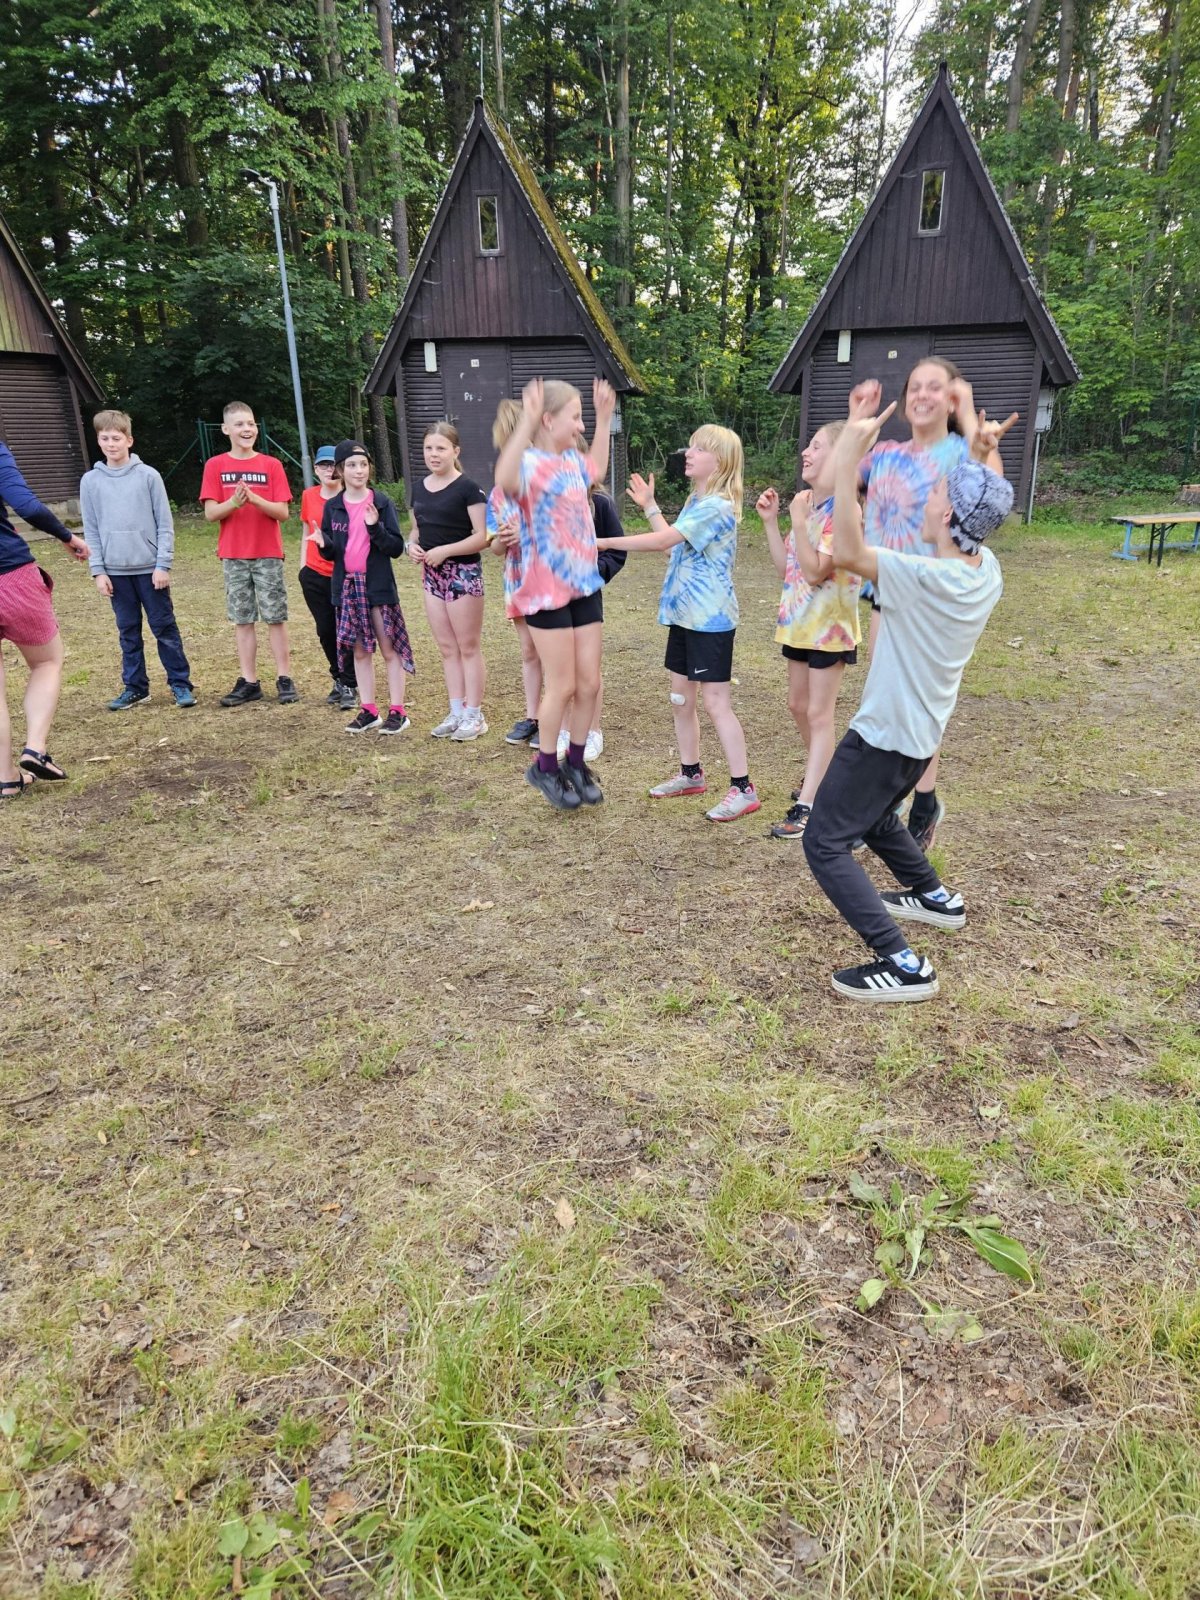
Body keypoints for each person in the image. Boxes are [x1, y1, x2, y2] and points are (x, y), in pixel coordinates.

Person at [803, 398, 1013, 1002]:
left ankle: (903, 964)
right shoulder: (985, 570)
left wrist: (849, 462)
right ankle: (934, 896)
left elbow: (847, 552)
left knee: (825, 841)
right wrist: (983, 451)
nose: (927, 498)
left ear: (947, 513)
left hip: (884, 735)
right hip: (919, 737)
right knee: (872, 816)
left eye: (936, 492)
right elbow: (986, 501)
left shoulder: (926, 579)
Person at [854, 361, 1008, 848]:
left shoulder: (960, 452)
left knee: (919, 705)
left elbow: (993, 498)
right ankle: (886, 803)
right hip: (886, 589)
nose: (922, 395)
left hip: (932, 597)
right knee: (884, 698)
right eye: (915, 387)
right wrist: (856, 422)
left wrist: (980, 439)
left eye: (935, 388)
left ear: (952, 399)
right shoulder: (885, 452)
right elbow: (836, 475)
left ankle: (920, 801)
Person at [596, 426, 759, 822]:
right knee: (680, 699)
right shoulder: (696, 500)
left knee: (716, 703)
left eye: (700, 449)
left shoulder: (717, 505)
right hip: (685, 617)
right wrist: (651, 506)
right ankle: (691, 774)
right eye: (691, 446)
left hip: (710, 621)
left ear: (719, 461)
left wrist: (604, 542)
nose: (689, 452)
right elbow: (673, 545)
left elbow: (662, 542)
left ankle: (743, 789)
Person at [493, 377, 615, 810]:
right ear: (548, 420)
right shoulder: (527, 464)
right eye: (575, 417)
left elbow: (596, 468)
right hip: (544, 592)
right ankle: (545, 767)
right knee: (561, 685)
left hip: (583, 584)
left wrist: (603, 420)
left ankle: (575, 763)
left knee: (589, 683)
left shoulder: (572, 462)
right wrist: (526, 422)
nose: (580, 426)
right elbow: (504, 479)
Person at [756, 418, 860, 840]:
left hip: (830, 628)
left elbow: (817, 572)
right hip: (799, 625)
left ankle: (810, 804)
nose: (806, 452)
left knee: (819, 713)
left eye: (817, 447)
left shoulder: (846, 510)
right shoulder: (809, 505)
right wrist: (771, 522)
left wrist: (798, 521)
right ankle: (827, 780)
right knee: (798, 706)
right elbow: (790, 569)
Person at [80, 408, 195, 712]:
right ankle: (135, 687)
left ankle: (180, 683)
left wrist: (162, 565)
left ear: (129, 440)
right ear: (98, 440)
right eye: (105, 438)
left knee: (164, 628)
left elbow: (164, 524)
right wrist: (98, 571)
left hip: (150, 570)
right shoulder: (90, 481)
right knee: (128, 632)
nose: (111, 444)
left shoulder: (148, 476)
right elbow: (91, 529)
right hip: (115, 573)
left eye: (116, 438)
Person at [0, 439, 90, 794]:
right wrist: (66, 535)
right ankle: (35, 748)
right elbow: (26, 505)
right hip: (12, 575)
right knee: (46, 662)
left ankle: (6, 777)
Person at [200, 400, 298, 706]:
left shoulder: (271, 465)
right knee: (243, 620)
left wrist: (255, 499)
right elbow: (211, 513)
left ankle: (284, 678)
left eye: (251, 423)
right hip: (233, 555)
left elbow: (283, 513)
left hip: (268, 553)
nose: (247, 429)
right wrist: (235, 502)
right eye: (240, 424)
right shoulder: (215, 465)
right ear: (226, 429)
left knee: (275, 617)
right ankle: (249, 681)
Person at [315, 439, 414, 735]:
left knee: (389, 649)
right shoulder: (333, 507)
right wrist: (323, 544)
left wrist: (374, 527)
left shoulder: (381, 503)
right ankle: (368, 710)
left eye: (363, 464)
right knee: (359, 652)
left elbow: (395, 547)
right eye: (351, 465)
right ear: (340, 471)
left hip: (378, 588)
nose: (358, 470)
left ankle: (398, 711)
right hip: (348, 589)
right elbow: (333, 552)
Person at [408, 422, 489, 741]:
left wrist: (446, 551)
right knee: (446, 647)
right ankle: (456, 711)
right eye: (429, 448)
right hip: (432, 576)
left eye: (441, 448)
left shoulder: (469, 488)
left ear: (455, 451)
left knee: (468, 647)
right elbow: (417, 528)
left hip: (463, 575)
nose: (434, 454)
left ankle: (474, 715)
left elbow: (483, 536)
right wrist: (411, 545)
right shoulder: (418, 487)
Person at [553, 485, 627, 764]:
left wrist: (593, 571)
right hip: (550, 596)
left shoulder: (600, 503)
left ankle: (592, 731)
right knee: (558, 667)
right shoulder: (543, 500)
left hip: (586, 596)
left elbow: (616, 550)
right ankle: (562, 730)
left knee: (588, 668)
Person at [486, 400, 541, 751]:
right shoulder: (498, 492)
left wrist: (529, 532)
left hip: (549, 578)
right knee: (529, 650)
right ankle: (533, 717)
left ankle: (557, 718)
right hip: (518, 577)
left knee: (554, 652)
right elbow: (493, 546)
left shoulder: (547, 479)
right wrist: (503, 540)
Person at [298, 444, 357, 709]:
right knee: (325, 630)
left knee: (346, 631)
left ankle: (351, 682)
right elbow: (306, 532)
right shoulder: (308, 496)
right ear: (315, 469)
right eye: (323, 465)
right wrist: (303, 568)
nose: (328, 470)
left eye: (333, 465)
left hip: (342, 574)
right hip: (313, 574)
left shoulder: (350, 498)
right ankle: (338, 678)